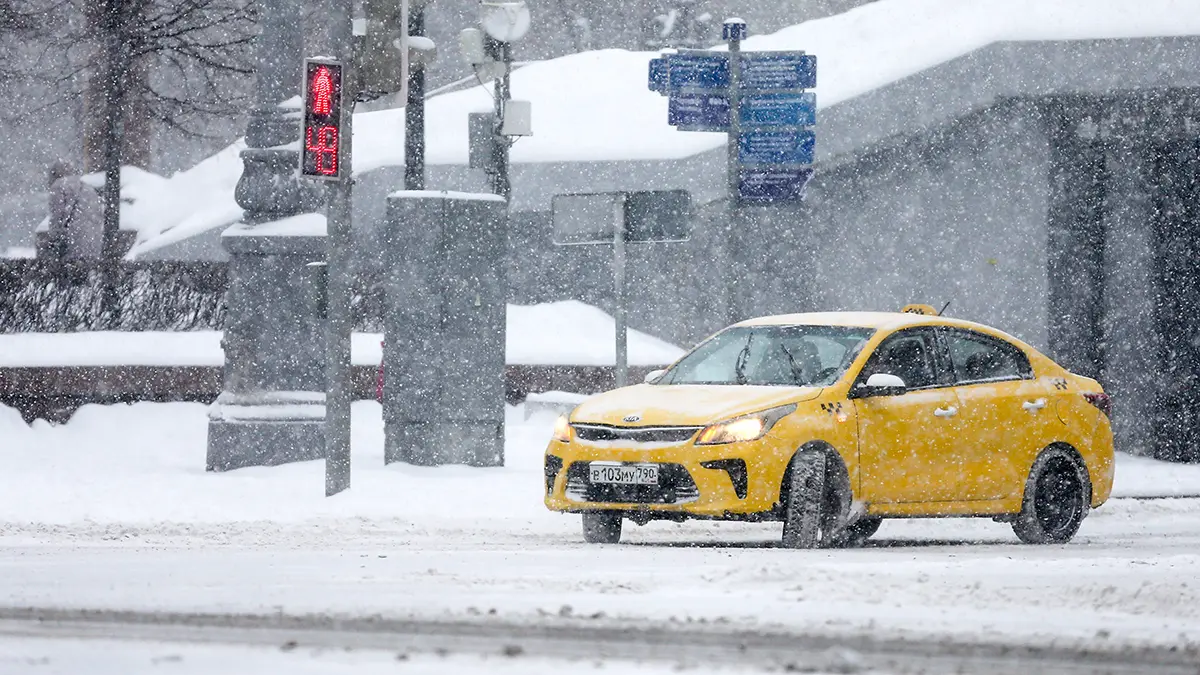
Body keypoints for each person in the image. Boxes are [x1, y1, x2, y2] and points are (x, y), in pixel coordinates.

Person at [46, 161, 104, 260]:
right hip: (94, 238)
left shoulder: (58, 186)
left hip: (73, 238)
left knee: (72, 269)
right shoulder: (86, 186)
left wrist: (54, 236)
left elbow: (58, 215)